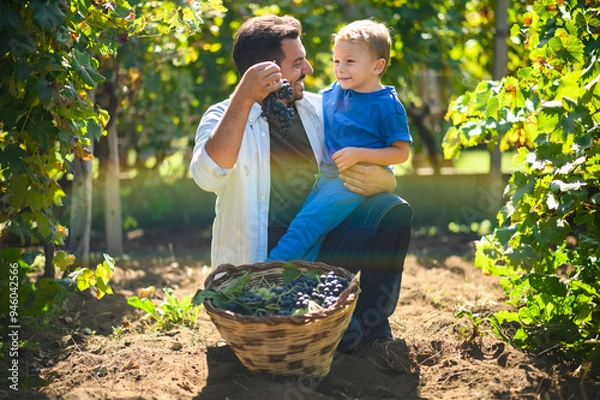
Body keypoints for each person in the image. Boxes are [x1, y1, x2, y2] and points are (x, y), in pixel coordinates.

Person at [190, 15, 412, 352]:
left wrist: (384, 180)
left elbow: (371, 154)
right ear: (266, 72)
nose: (309, 68)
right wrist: (244, 97)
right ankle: (332, 323)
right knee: (317, 338)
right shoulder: (224, 115)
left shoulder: (317, 109)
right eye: (297, 63)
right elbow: (207, 176)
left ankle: (374, 322)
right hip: (262, 267)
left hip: (324, 248)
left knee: (391, 210)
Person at [267, 19, 412, 263]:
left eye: (350, 62)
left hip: (353, 179)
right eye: (336, 61)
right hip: (327, 176)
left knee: (306, 224)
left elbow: (400, 153)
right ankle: (297, 281)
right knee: (313, 231)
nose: (340, 68)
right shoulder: (335, 92)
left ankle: (267, 271)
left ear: (377, 66)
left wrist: (359, 154)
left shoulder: (387, 105)